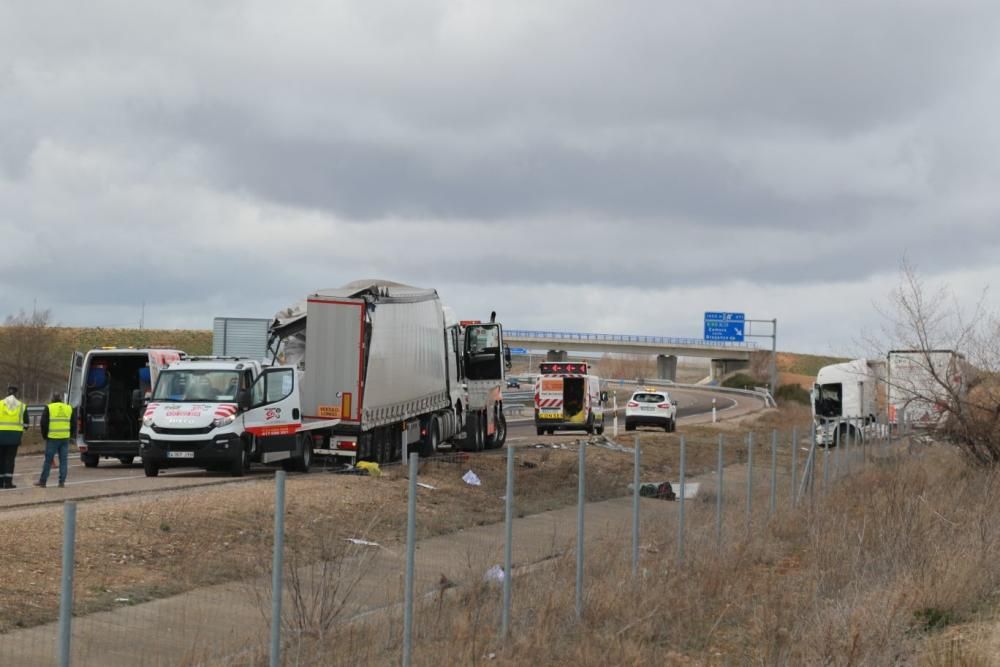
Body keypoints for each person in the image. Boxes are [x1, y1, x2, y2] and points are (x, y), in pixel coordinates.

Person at [35, 392, 76, 489]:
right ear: (61, 399)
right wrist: (70, 435)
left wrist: (45, 436)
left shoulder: (49, 408)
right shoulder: (69, 408)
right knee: (63, 461)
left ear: (52, 399)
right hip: (65, 438)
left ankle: (43, 481)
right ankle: (61, 482)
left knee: (48, 461)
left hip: (52, 438)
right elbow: (74, 424)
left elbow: (43, 424)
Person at [0, 385, 29, 489]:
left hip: (0, 436)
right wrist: (20, 431)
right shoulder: (22, 406)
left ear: (7, 393)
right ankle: (8, 483)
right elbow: (26, 424)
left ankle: (0, 482)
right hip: (14, 438)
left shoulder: (0, 404)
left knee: (1, 459)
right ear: (16, 394)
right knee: (10, 460)